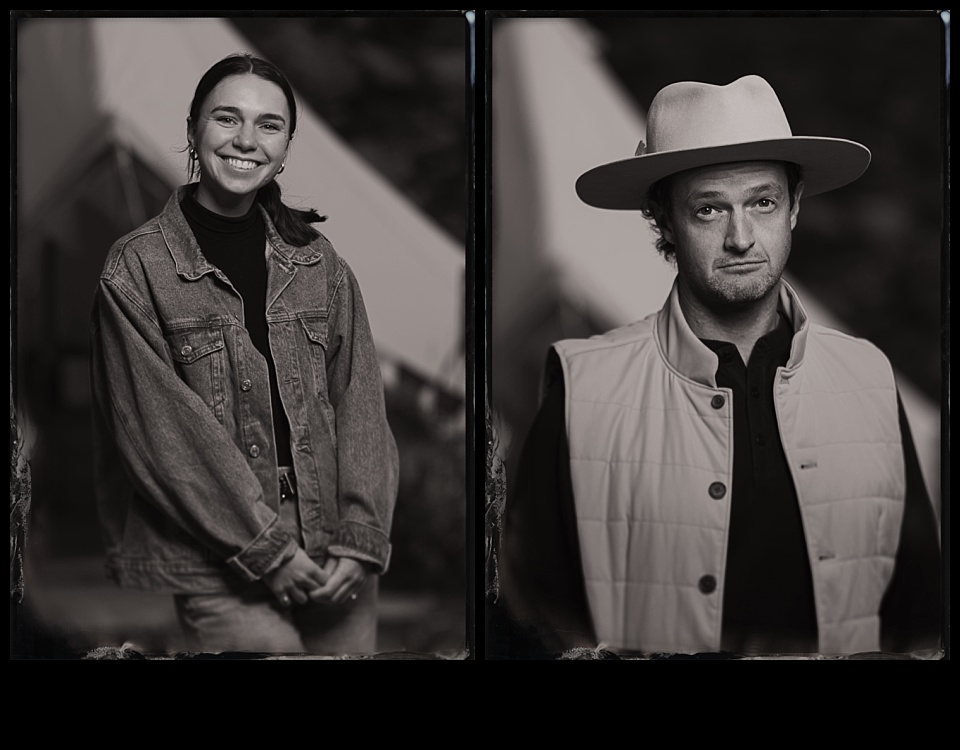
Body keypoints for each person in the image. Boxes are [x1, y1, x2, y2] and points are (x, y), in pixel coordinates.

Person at [499, 75, 940, 657]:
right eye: (709, 209)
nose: (740, 237)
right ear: (663, 220)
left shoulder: (868, 378)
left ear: (795, 206)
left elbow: (922, 622)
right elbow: (527, 616)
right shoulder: (583, 383)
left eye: (763, 202)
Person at [89, 53, 399, 655]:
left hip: (332, 539)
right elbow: (161, 434)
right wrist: (265, 548)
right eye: (227, 119)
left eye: (269, 125)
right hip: (217, 550)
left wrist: (362, 539)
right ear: (192, 130)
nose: (246, 141)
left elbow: (360, 401)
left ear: (286, 145)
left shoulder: (319, 262)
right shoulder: (135, 270)